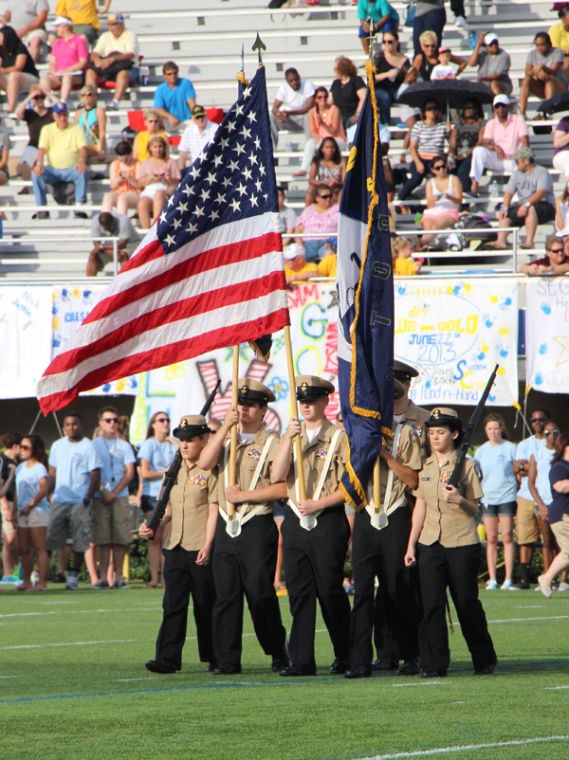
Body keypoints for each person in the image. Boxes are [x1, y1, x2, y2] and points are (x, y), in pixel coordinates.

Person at [198, 378, 288, 675]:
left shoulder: (272, 443)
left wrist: (244, 496)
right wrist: (224, 426)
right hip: (227, 524)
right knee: (226, 595)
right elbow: (204, 463)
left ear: (263, 411)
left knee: (260, 592)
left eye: (250, 405)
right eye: (240, 404)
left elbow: (282, 489)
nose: (244, 409)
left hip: (255, 523)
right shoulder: (226, 440)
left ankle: (277, 648)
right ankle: (227, 659)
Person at [404, 407, 497, 677]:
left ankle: (483, 657)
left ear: (454, 434)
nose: (435, 437)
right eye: (431, 432)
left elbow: (476, 509)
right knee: (431, 604)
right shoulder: (426, 467)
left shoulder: (466, 466)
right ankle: (434, 663)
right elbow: (420, 505)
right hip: (430, 542)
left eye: (440, 432)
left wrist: (459, 499)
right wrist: (411, 545)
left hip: (461, 542)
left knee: (466, 603)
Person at [271, 375, 351, 676]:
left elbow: (351, 487)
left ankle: (346, 654)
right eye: (301, 401)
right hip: (295, 519)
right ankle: (301, 660)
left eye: (311, 400)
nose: (306, 405)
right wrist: (289, 441)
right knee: (300, 593)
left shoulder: (338, 437)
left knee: (330, 591)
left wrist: (319, 504)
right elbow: (277, 475)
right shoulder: (291, 435)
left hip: (327, 519)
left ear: (324, 401)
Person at [346, 380, 423, 679]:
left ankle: (410, 654)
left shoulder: (406, 434)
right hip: (367, 515)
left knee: (397, 589)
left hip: (394, 515)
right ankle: (360, 660)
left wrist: (387, 456)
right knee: (361, 591)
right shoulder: (359, 432)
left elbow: (414, 481)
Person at [140, 415, 218, 674]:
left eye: (191, 440)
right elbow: (169, 508)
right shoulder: (172, 472)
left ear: (204, 440)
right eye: (182, 440)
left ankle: (213, 655)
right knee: (172, 605)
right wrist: (153, 524)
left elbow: (213, 511)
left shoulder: (211, 471)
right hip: (175, 546)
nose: (184, 445)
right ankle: (167, 658)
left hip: (199, 546)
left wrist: (208, 545)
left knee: (206, 605)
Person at [47, 412, 101, 590]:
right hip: (60, 499)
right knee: (50, 538)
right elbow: (52, 473)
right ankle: (42, 574)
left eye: (74, 424)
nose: (71, 427)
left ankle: (73, 575)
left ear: (81, 425)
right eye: (68, 424)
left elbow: (95, 474)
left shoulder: (88, 446)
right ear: (63, 427)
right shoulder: (57, 445)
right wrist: (49, 494)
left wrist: (88, 497)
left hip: (80, 500)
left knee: (80, 539)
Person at [91, 406, 135, 588]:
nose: (112, 424)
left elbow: (129, 472)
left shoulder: (124, 445)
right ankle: (102, 578)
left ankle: (118, 578)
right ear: (101, 423)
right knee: (102, 539)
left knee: (119, 539)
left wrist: (114, 493)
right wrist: (103, 491)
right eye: (108, 420)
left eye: (115, 420)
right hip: (100, 496)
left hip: (120, 496)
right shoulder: (93, 445)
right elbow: (92, 471)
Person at [474, 414, 518, 590]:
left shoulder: (510, 448)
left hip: (507, 495)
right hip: (488, 497)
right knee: (491, 537)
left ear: (501, 429)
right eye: (490, 428)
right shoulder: (481, 451)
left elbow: (518, 470)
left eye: (496, 428)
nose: (493, 431)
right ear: (486, 430)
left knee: (507, 535)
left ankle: (508, 578)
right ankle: (492, 578)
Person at [512, 409, 551, 590]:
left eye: (540, 420)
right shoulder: (525, 444)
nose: (537, 423)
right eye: (533, 420)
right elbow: (516, 466)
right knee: (525, 537)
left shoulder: (554, 443)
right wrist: (529, 467)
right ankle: (524, 579)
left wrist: (527, 466)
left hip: (549, 496)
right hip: (526, 496)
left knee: (550, 539)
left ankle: (551, 578)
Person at [139, 411, 177, 589]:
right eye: (161, 420)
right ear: (153, 424)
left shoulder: (172, 445)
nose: (165, 423)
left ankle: (165, 578)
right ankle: (154, 577)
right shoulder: (149, 444)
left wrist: (176, 442)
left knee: (168, 537)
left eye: (167, 420)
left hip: (170, 494)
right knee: (155, 537)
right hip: (153, 494)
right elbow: (145, 473)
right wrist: (166, 473)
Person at [31, 101, 89, 220]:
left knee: (82, 171)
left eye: (65, 115)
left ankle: (79, 206)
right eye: (59, 115)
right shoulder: (47, 129)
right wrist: (39, 164)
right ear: (54, 116)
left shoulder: (76, 128)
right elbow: (42, 149)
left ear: (68, 115)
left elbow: (83, 148)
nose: (62, 118)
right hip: (53, 169)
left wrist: (82, 160)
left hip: (72, 169)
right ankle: (42, 209)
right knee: (36, 174)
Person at [492, 147, 555, 250]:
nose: (516, 164)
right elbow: (509, 192)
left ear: (526, 161)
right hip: (524, 206)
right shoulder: (517, 174)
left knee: (530, 209)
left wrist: (526, 204)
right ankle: (501, 241)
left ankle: (529, 242)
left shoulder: (542, 172)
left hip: (544, 205)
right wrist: (505, 207)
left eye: (517, 161)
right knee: (505, 215)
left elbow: (541, 192)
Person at [469, 94, 529, 197]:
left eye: (503, 105)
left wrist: (520, 157)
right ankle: (474, 186)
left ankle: (516, 194)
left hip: (514, 159)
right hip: (498, 158)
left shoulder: (518, 120)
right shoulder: (491, 123)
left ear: (508, 107)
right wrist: (494, 147)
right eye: (498, 106)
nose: (500, 108)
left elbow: (525, 142)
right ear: (494, 108)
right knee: (478, 151)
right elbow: (485, 142)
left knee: (521, 164)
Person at [14, 435, 50, 592]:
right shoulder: (20, 468)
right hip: (22, 511)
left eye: (25, 447)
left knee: (39, 547)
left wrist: (31, 504)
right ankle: (26, 581)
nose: (22, 450)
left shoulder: (39, 468)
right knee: (23, 548)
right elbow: (17, 491)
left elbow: (44, 489)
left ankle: (42, 583)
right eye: (21, 446)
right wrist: (16, 509)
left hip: (37, 511)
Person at [537, 432, 569, 597]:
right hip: (563, 516)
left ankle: (547, 578)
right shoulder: (560, 467)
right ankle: (547, 578)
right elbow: (560, 487)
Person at [85, 13, 138, 111]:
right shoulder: (105, 36)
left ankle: (115, 102)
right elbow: (95, 53)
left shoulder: (130, 35)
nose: (111, 27)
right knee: (90, 72)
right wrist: (97, 60)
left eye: (114, 24)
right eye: (110, 24)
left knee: (123, 73)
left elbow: (130, 54)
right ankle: (90, 101)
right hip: (109, 69)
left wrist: (112, 59)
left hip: (128, 68)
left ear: (122, 24)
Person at [398, 99, 448, 201]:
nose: (432, 111)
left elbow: (452, 143)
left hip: (437, 159)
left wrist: (450, 130)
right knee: (416, 179)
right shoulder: (418, 125)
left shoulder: (443, 126)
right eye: (429, 109)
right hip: (421, 157)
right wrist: (418, 162)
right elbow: (412, 147)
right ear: (424, 112)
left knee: (444, 179)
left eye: (435, 108)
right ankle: (401, 198)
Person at [528, 421, 560, 576]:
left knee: (561, 542)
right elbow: (531, 483)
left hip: (560, 503)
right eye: (548, 433)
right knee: (546, 541)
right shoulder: (538, 454)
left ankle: (563, 579)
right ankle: (548, 575)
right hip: (544, 502)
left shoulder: (563, 454)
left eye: (555, 432)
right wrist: (540, 504)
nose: (552, 436)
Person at [40, 16, 89, 105]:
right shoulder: (58, 43)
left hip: (75, 74)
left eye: (57, 26)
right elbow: (52, 62)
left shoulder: (78, 41)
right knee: (44, 79)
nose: (55, 29)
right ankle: (48, 100)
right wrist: (54, 72)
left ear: (65, 27)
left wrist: (69, 70)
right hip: (59, 74)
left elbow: (83, 61)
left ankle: (62, 102)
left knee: (67, 77)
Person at [136, 134, 181, 229]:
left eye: (160, 146)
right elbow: (139, 182)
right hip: (149, 189)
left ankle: (155, 227)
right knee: (142, 203)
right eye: (155, 147)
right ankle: (146, 230)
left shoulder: (170, 162)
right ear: (150, 148)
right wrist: (150, 178)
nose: (158, 149)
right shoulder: (145, 163)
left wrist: (168, 179)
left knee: (159, 194)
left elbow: (177, 182)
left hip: (164, 189)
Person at [300, 87, 346, 178]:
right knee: (310, 143)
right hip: (321, 140)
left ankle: (315, 172)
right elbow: (313, 131)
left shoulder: (334, 109)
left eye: (325, 96)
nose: (323, 99)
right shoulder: (312, 112)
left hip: (336, 139)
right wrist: (319, 139)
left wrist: (322, 123)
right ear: (315, 99)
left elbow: (334, 131)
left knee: (322, 146)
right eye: (320, 97)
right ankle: (304, 169)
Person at [518, 32, 566, 119]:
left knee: (549, 79)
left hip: (558, 86)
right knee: (526, 80)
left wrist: (542, 67)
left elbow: (554, 70)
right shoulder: (532, 54)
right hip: (541, 86)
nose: (540, 48)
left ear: (548, 43)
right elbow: (527, 71)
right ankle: (522, 113)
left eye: (542, 45)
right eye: (537, 45)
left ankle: (548, 111)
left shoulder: (557, 52)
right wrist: (537, 72)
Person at [14, 85, 53, 189]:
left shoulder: (51, 111)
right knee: (26, 159)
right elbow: (18, 113)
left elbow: (61, 106)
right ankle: (26, 187)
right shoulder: (30, 113)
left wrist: (48, 93)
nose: (39, 99)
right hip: (34, 144)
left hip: (50, 145)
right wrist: (30, 96)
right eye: (36, 97)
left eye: (42, 97)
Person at [420, 155, 462, 246]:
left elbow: (459, 201)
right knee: (428, 228)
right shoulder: (430, 183)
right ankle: (422, 247)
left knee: (436, 226)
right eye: (438, 168)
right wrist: (434, 199)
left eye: (443, 166)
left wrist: (450, 197)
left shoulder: (454, 179)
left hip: (449, 211)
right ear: (433, 170)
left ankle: (419, 244)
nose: (441, 170)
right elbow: (429, 205)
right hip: (432, 212)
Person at [372, 30, 411, 127]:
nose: (387, 44)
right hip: (380, 87)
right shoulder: (379, 57)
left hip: (396, 88)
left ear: (396, 42)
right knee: (384, 97)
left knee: (405, 96)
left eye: (390, 42)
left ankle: (407, 121)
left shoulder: (404, 59)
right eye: (384, 42)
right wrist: (387, 74)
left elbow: (409, 77)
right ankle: (385, 123)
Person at [270, 67, 315, 148]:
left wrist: (289, 113)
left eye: (296, 79)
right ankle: (272, 153)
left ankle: (312, 151)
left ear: (299, 77)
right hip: (292, 120)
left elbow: (309, 107)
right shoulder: (283, 88)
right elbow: (274, 108)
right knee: (272, 118)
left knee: (310, 115)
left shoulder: (307, 84)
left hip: (305, 119)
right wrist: (279, 114)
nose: (294, 82)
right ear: (287, 81)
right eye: (291, 81)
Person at [448, 99, 485, 195]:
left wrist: (465, 155)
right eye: (466, 107)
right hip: (458, 154)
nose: (468, 110)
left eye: (471, 107)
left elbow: (481, 142)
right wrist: (451, 155)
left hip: (473, 155)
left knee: (463, 170)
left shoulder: (481, 124)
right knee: (448, 167)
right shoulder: (459, 125)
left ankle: (464, 199)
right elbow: (452, 144)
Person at [0, 25, 39, 115]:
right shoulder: (1, 50)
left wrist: (2, 71)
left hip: (29, 79)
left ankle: (11, 108)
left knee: (14, 75)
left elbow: (19, 67)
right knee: (11, 77)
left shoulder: (20, 48)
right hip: (11, 81)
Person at [294, 184, 339, 262]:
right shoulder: (308, 210)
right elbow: (298, 230)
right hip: (308, 243)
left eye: (330, 196)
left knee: (328, 256)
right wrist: (300, 246)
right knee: (298, 259)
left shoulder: (338, 209)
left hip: (329, 242)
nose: (328, 199)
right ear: (317, 198)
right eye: (324, 197)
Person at [86, 211, 136, 276]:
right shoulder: (95, 221)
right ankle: (90, 283)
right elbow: (96, 244)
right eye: (105, 228)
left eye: (110, 227)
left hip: (129, 246)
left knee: (122, 255)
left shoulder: (123, 221)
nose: (108, 230)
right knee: (93, 255)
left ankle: (126, 281)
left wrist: (102, 247)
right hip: (111, 249)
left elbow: (123, 244)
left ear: (113, 221)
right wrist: (112, 252)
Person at [153, 60, 196, 131]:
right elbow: (158, 109)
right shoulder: (160, 89)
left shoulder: (186, 83)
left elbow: (192, 105)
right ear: (164, 76)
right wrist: (170, 117)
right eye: (169, 74)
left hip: (187, 120)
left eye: (175, 73)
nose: (173, 76)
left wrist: (195, 116)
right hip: (169, 122)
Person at [101, 139, 140, 216]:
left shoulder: (138, 164)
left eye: (126, 159)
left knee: (123, 198)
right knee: (108, 197)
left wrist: (129, 178)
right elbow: (112, 186)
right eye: (121, 159)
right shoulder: (115, 165)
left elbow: (139, 185)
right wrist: (118, 179)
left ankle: (121, 222)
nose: (124, 161)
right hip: (119, 191)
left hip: (134, 192)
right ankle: (106, 221)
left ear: (130, 154)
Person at [0, 433, 20, 583]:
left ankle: (16, 569)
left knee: (19, 538)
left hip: (17, 503)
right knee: (10, 537)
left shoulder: (18, 462)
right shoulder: (2, 461)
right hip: (6, 502)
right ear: (15, 446)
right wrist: (5, 506)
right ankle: (7, 572)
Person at [305, 137, 346, 206]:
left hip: (336, 188)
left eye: (332, 147)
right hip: (322, 187)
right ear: (322, 149)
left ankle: (338, 214)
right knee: (311, 189)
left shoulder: (342, 161)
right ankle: (307, 213)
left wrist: (335, 184)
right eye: (327, 147)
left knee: (342, 192)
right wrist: (323, 183)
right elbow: (311, 180)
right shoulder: (317, 161)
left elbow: (344, 180)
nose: (330, 150)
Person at [329, 56, 366, 133]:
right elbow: (329, 101)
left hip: (352, 115)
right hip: (338, 116)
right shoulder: (336, 83)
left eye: (336, 68)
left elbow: (364, 98)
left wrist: (357, 114)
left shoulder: (356, 80)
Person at [177, 105, 219, 172]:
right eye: (197, 117)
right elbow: (182, 155)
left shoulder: (215, 129)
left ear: (206, 116)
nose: (200, 120)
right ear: (193, 118)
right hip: (195, 169)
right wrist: (182, 174)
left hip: (212, 167)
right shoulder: (189, 130)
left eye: (202, 116)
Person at [74, 83, 107, 162]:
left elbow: (102, 132)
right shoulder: (78, 113)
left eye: (89, 94)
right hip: (81, 144)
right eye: (83, 95)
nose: (86, 97)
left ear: (95, 96)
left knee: (83, 149)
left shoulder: (99, 111)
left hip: (94, 145)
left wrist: (102, 150)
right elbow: (74, 132)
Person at [550, 5, 569, 72]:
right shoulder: (555, 29)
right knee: (566, 62)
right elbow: (556, 50)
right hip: (562, 58)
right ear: (563, 18)